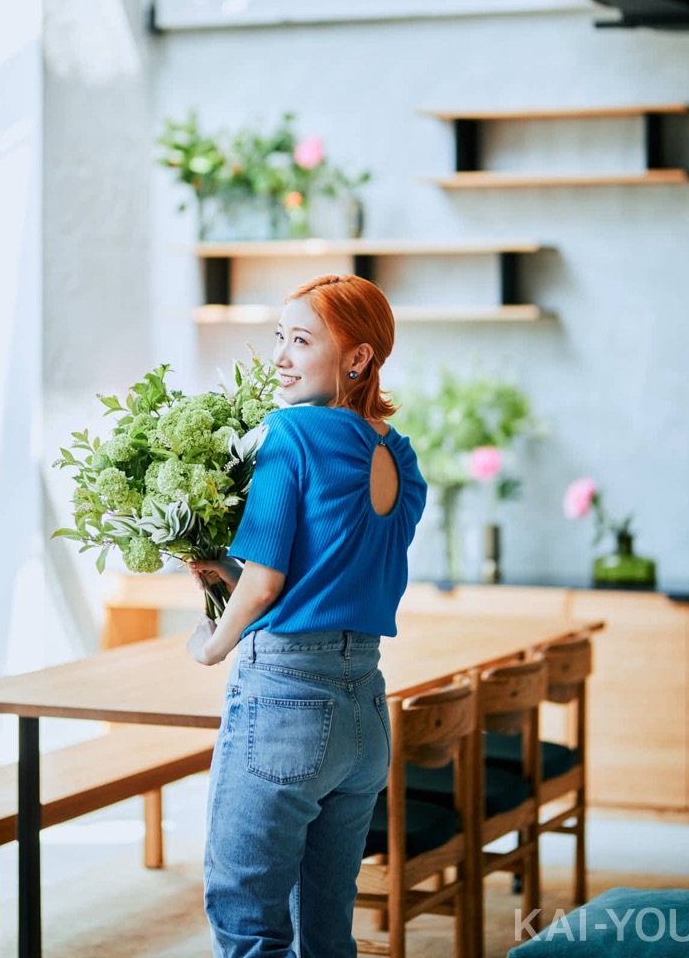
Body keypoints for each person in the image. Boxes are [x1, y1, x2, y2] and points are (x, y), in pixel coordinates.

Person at [186, 273, 427, 958]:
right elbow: (329, 570)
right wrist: (224, 576)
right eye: (278, 340)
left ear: (356, 359)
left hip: (285, 703)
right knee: (325, 929)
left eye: (300, 340)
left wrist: (210, 645)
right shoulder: (400, 457)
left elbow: (264, 589)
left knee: (247, 917)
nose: (280, 358)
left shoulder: (287, 434)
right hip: (362, 716)